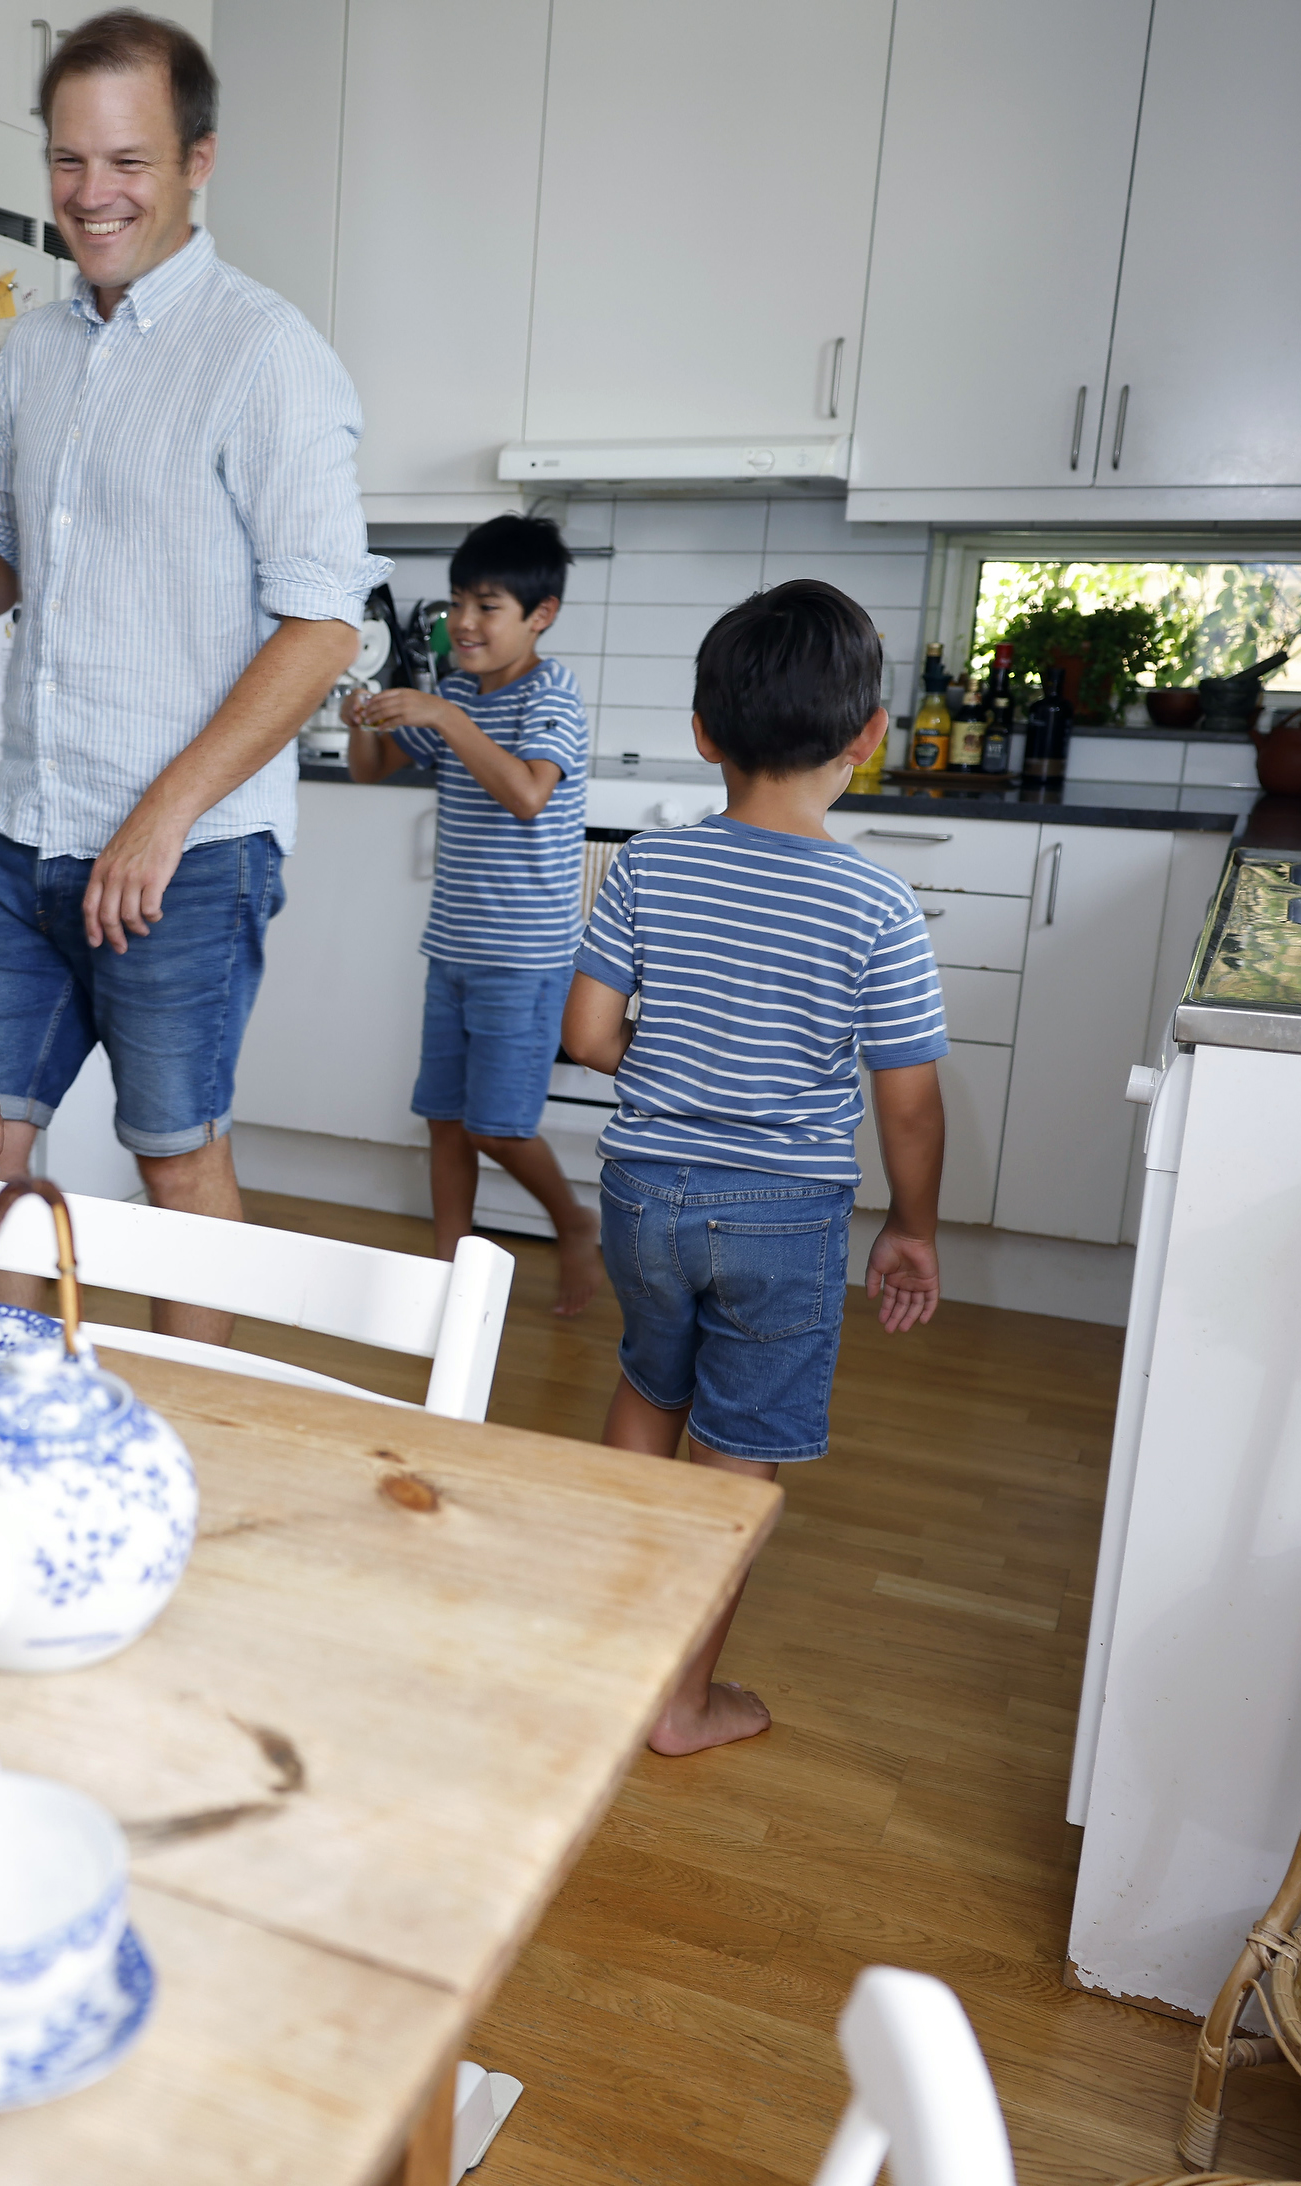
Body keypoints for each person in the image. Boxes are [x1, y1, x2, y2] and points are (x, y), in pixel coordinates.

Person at [0, 8, 385, 1345]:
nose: (91, 194)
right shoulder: (38, 350)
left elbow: (323, 627)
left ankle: (185, 1446)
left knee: (174, 1161)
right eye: (68, 161)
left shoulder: (267, 356)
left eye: (127, 161)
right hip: (24, 830)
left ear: (197, 161)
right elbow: (9, 554)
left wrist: (163, 815)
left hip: (190, 851)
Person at [560, 580, 946, 1754]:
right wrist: (913, 1225)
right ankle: (678, 1702)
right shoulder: (876, 903)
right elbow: (910, 1097)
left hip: (642, 1193)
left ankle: (615, 1658)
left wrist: (667, 1069)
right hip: (780, 1215)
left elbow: (584, 1035)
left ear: (701, 732)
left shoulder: (647, 868)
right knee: (737, 1455)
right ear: (867, 737)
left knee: (649, 1383)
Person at [342, 514, 600, 1312]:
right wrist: (363, 719)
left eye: (487, 606)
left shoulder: (550, 694)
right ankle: (445, 1282)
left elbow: (528, 794)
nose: (462, 622)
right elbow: (370, 771)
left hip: (525, 958)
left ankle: (575, 1224)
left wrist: (446, 716)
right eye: (458, 603)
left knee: (498, 1129)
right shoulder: (454, 690)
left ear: (540, 616)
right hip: (452, 946)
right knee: (446, 1124)